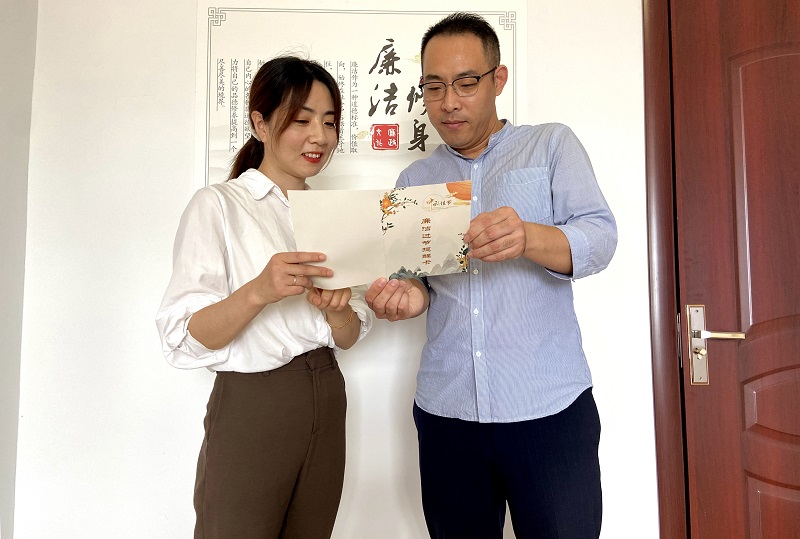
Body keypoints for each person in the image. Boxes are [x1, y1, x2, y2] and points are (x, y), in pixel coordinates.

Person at [366, 12, 617, 539]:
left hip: (548, 408)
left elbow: (600, 238)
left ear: (497, 79)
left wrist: (529, 237)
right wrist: (406, 296)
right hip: (448, 410)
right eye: (434, 86)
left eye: (465, 82)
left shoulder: (551, 145)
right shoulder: (415, 179)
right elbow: (415, 280)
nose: (448, 102)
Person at [155, 56, 373, 539]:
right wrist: (258, 291)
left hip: (327, 393)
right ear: (261, 123)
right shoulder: (219, 205)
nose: (319, 136)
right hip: (254, 402)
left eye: (329, 122)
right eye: (301, 120)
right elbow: (183, 335)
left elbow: (349, 335)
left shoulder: (333, 215)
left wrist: (338, 311)